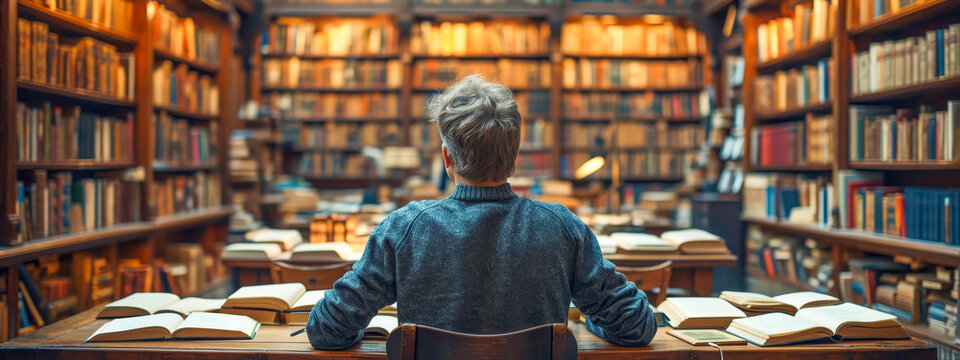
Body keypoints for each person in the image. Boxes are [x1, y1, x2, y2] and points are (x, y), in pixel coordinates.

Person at [306, 75, 657, 349]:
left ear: (447, 157)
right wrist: (590, 322)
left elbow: (324, 330)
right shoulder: (563, 228)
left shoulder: (403, 229)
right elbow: (638, 326)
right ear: (515, 157)